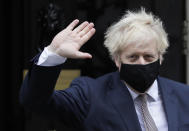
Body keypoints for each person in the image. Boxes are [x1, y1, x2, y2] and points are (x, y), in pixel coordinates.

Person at [20, 9, 189, 131]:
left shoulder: (184, 96)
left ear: (160, 58)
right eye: (132, 57)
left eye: (149, 57)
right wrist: (53, 55)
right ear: (117, 59)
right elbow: (35, 101)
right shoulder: (90, 95)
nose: (141, 63)